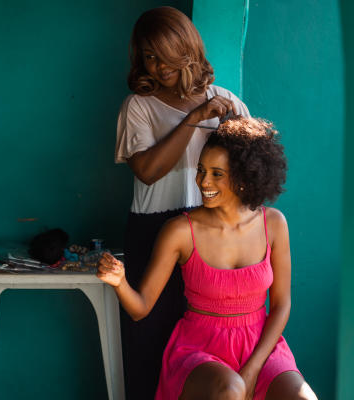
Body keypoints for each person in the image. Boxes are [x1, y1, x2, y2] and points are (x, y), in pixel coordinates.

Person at [101, 117, 317, 399]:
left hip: (261, 344)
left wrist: (252, 369)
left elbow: (281, 305)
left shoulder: (274, 224)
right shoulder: (180, 231)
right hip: (199, 348)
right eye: (201, 170)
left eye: (217, 174)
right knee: (231, 390)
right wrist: (118, 281)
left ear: (243, 178)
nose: (203, 181)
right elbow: (139, 308)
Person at [115, 6, 250, 396]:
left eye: (165, 53)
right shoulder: (138, 107)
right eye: (149, 57)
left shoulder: (225, 101)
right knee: (149, 344)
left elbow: (253, 172)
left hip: (211, 233)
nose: (158, 66)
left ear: (186, 47)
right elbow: (148, 171)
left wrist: (232, 133)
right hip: (153, 229)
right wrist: (194, 118)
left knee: (206, 349)